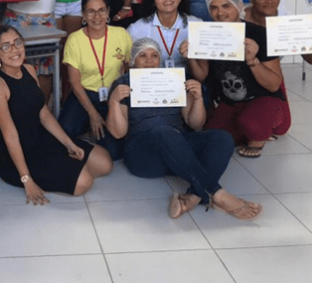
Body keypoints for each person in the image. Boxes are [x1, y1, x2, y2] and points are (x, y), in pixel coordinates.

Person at [106, 38, 262, 220]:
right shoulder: (124, 83)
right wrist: (114, 102)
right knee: (163, 132)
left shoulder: (173, 78)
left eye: (154, 55)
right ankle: (217, 194)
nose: (149, 60)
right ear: (133, 60)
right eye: (143, 55)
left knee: (222, 138)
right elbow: (118, 133)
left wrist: (197, 99)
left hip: (178, 150)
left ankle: (193, 196)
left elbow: (195, 124)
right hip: (144, 155)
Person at [0, 25, 113, 204]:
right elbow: (10, 135)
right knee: (84, 183)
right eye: (6, 47)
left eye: (17, 43)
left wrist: (68, 143)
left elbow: (44, 114)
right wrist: (26, 179)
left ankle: (66, 168)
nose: (14, 50)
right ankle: (64, 171)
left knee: (105, 163)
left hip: (41, 137)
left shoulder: (29, 70)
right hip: (17, 152)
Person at [183, 0, 289, 158]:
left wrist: (252, 61)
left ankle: (261, 132)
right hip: (231, 102)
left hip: (264, 98)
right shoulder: (207, 34)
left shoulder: (258, 34)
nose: (220, 13)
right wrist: (191, 57)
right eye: (214, 7)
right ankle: (251, 126)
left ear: (239, 6)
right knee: (214, 136)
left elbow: (273, 85)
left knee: (252, 125)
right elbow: (201, 76)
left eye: (226, 6)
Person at [58, 0, 131, 160]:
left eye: (101, 10)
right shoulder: (75, 39)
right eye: (91, 11)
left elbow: (129, 69)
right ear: (83, 15)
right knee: (64, 135)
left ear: (108, 12)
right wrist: (93, 114)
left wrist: (119, 104)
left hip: (112, 95)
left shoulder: (121, 34)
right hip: (84, 94)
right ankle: (88, 128)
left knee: (113, 153)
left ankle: (92, 133)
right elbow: (74, 82)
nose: (97, 16)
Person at [127, 0, 200, 69]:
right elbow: (127, 65)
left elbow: (202, 73)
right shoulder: (136, 29)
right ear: (153, 1)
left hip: (187, 77)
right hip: (150, 77)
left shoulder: (196, 25)